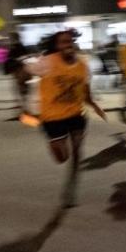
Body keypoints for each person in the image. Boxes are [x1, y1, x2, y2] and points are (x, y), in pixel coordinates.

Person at [27, 30, 107, 207]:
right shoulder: (47, 62)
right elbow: (26, 71)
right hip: (52, 118)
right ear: (57, 46)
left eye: (69, 41)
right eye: (63, 42)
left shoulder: (82, 65)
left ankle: (71, 187)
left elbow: (85, 90)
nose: (67, 45)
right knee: (62, 157)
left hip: (76, 115)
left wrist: (94, 105)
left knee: (77, 151)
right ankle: (56, 145)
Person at [4, 31, 31, 116]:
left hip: (20, 70)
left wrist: (16, 60)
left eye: (11, 37)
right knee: (21, 90)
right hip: (19, 71)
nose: (10, 39)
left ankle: (24, 109)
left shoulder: (17, 47)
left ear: (15, 38)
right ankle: (23, 108)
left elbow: (23, 57)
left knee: (21, 90)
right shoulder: (17, 46)